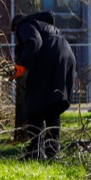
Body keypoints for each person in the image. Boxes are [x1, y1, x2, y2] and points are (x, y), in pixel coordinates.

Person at [11, 11, 76, 160]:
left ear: (16, 26)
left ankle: (36, 151)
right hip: (66, 56)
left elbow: (34, 42)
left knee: (35, 104)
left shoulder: (24, 24)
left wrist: (21, 65)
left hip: (50, 58)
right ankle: (53, 149)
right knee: (53, 104)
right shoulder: (45, 26)